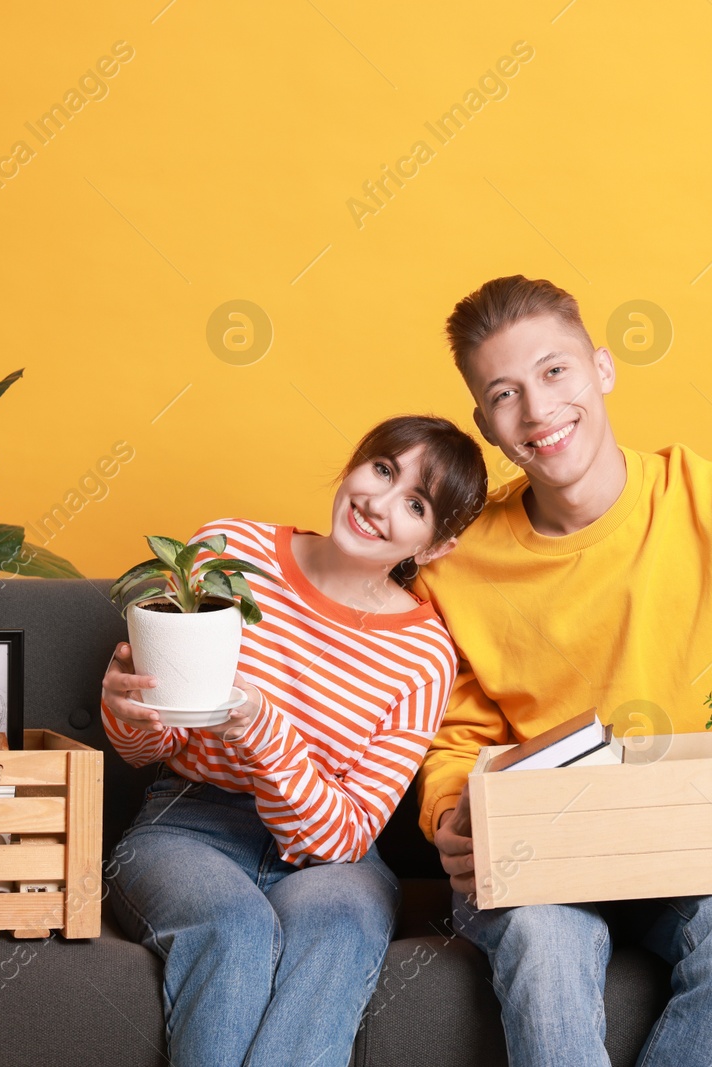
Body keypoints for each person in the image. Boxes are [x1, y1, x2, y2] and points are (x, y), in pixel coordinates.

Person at [411, 276, 712, 1067]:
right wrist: (450, 815)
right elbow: (456, 738)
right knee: (539, 939)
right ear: (484, 423)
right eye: (505, 393)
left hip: (705, 844)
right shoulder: (459, 564)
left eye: (556, 372)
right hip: (544, 858)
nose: (537, 411)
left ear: (602, 368)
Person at [99, 414, 488, 1067]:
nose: (378, 502)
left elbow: (343, 836)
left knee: (340, 926)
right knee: (234, 928)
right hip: (188, 822)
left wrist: (265, 730)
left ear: (434, 546)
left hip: (334, 858)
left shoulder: (424, 656)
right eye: (382, 470)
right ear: (355, 462)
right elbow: (154, 741)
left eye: (415, 504)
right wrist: (127, 711)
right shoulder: (229, 549)